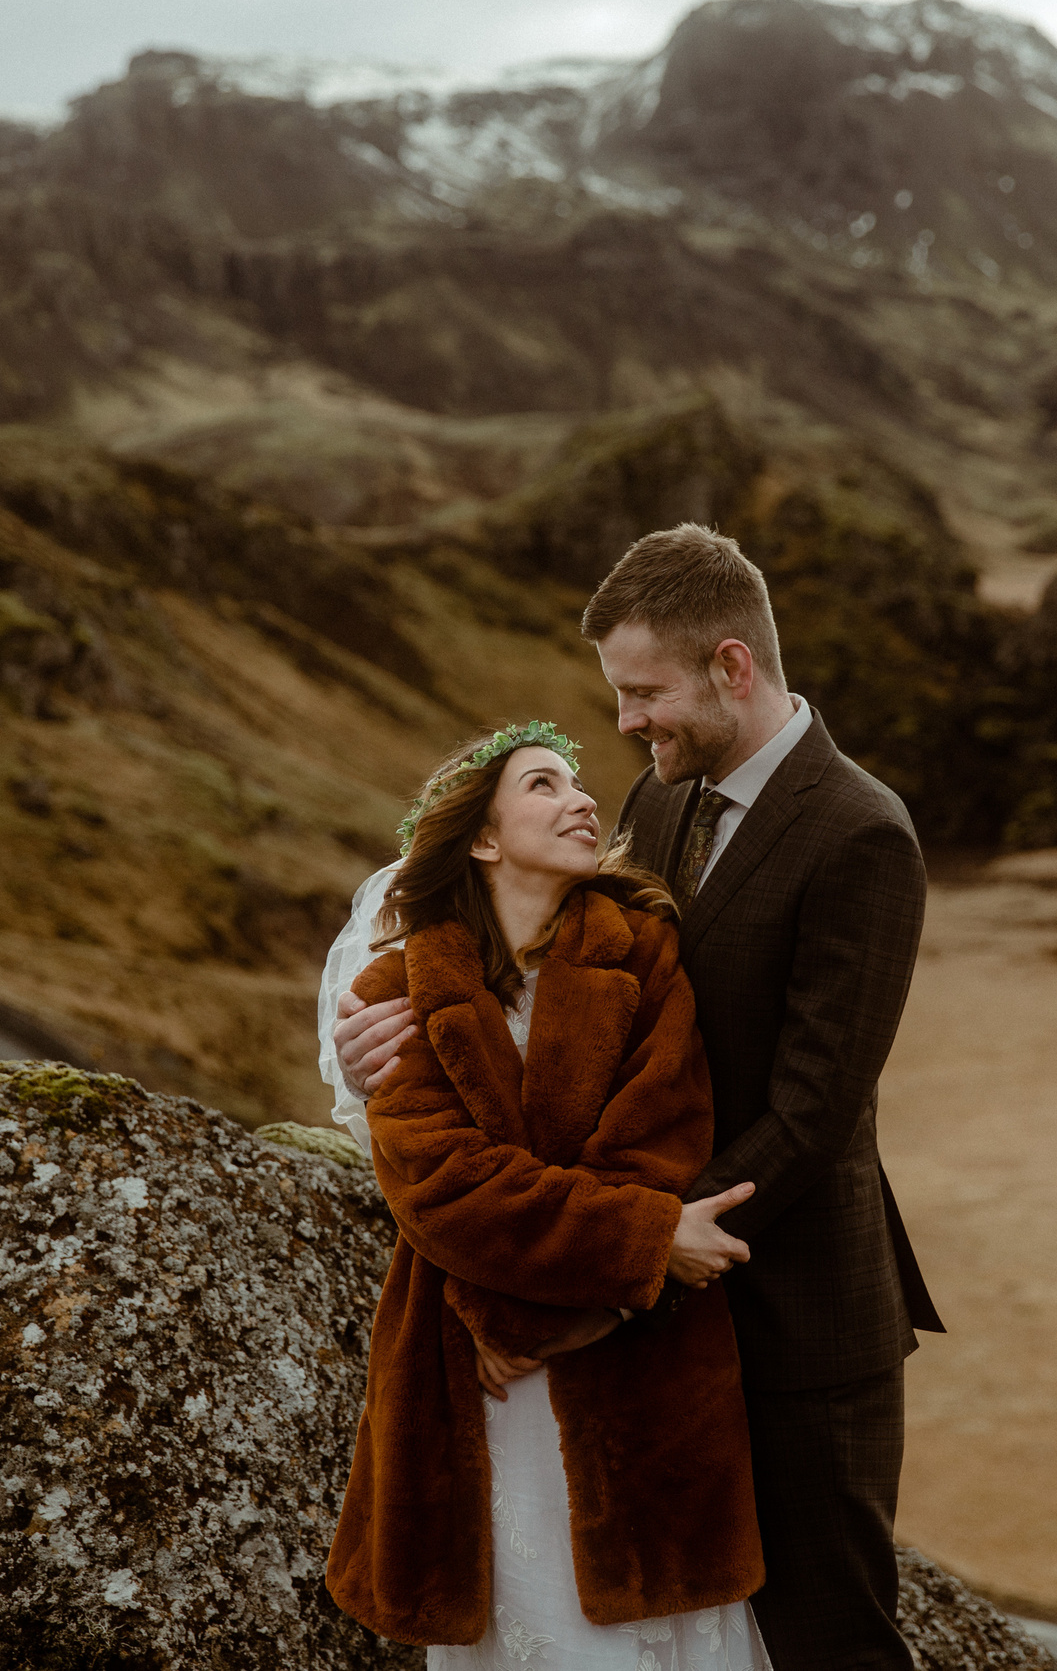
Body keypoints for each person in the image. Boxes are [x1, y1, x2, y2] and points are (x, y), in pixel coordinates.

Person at [334, 527, 941, 1671]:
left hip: (797, 1309)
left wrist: (632, 1268)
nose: (623, 724)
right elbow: (544, 964)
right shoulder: (666, 799)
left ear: (730, 666)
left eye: (642, 692)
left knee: (828, 1633)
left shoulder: (862, 832)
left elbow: (813, 1113)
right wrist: (393, 1025)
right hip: (663, 1329)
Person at [323, 720, 776, 1667]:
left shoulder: (644, 951)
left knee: (647, 1620)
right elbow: (440, 1183)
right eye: (543, 784)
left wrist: (596, 1297)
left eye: (578, 783)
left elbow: (661, 1139)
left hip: (639, 1358)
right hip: (478, 1368)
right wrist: (635, 1250)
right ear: (483, 837)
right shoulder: (397, 985)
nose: (581, 799)